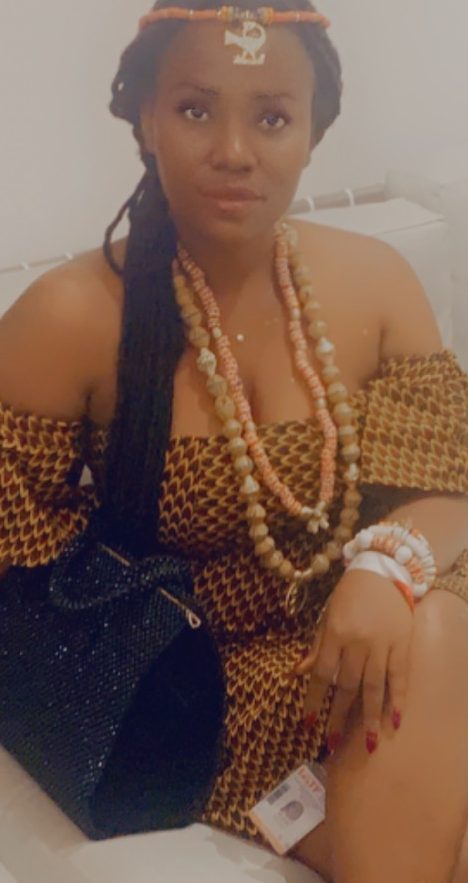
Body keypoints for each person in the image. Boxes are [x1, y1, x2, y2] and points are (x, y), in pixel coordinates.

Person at [0, 1, 468, 880]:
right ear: (146, 118)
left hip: (402, 616)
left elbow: (443, 476)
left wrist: (385, 569)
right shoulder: (71, 318)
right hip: (232, 686)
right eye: (195, 109)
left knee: (438, 627)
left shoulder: (375, 283)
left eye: (272, 118)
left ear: (314, 132)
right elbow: (17, 560)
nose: (234, 151)